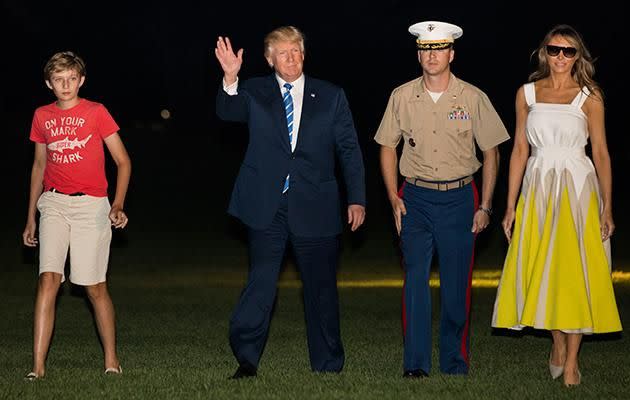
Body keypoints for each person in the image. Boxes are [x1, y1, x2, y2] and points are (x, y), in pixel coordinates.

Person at [214, 26, 366, 379]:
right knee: (262, 283)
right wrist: (230, 77)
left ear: (304, 54)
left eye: (296, 51)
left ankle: (328, 364)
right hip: (268, 205)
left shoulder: (330, 96)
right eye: (283, 53)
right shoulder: (254, 90)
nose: (292, 58)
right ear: (269, 60)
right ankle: (247, 359)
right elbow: (228, 112)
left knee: (321, 288)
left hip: (316, 203)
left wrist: (357, 198)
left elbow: (349, 149)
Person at [374, 21, 509, 378]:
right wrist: (392, 197)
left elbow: (492, 152)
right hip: (414, 198)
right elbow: (387, 147)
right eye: (425, 49)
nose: (431, 56)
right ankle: (415, 364)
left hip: (460, 198)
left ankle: (454, 362)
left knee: (455, 285)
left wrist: (485, 206)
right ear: (418, 54)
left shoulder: (472, 97)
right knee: (415, 279)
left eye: (439, 49)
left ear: (451, 54)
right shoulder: (401, 96)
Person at [491, 24, 621, 387]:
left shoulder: (589, 96)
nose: (561, 57)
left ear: (579, 56)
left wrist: (607, 207)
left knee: (575, 270)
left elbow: (602, 153)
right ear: (543, 52)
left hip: (578, 187)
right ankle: (558, 344)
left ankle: (574, 360)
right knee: (543, 267)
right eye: (554, 50)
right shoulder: (527, 94)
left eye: (569, 51)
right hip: (538, 186)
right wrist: (510, 205)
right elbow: (518, 150)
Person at [22, 51, 131, 380]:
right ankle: (37, 369)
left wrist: (118, 204)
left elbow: (123, 162)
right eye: (59, 80)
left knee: (94, 287)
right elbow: (39, 166)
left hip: (91, 206)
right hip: (53, 203)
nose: (65, 84)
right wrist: (30, 216)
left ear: (81, 80)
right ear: (48, 84)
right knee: (47, 280)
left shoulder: (96, 112)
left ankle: (111, 360)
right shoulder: (41, 116)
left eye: (71, 78)